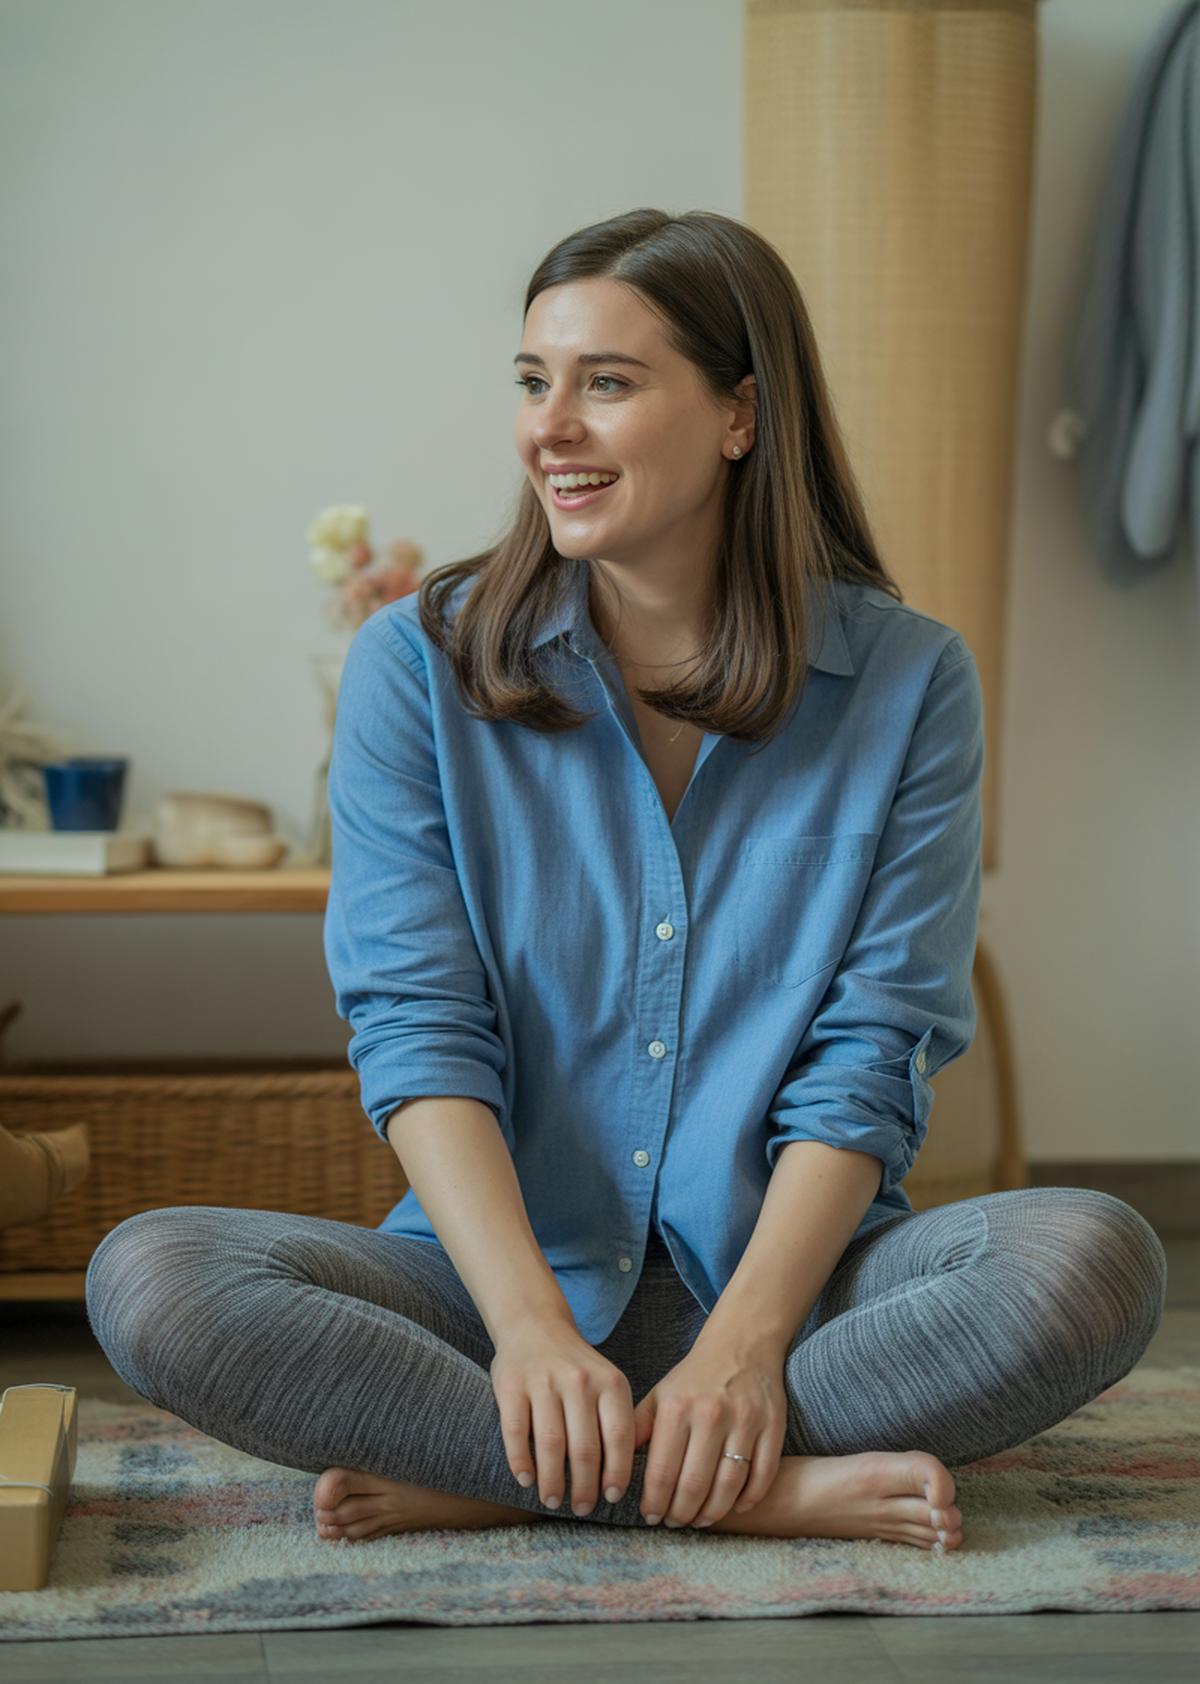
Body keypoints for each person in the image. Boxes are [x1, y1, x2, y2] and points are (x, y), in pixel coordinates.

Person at [87, 209, 1166, 1553]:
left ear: (738, 416)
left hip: (804, 1293)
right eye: (535, 382)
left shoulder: (909, 683)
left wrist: (748, 1346)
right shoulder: (415, 667)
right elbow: (420, 1035)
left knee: (1095, 1262)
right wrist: (533, 1335)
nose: (551, 427)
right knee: (156, 1279)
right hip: (480, 1292)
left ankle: (507, 1478)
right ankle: (753, 1490)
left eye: (607, 382)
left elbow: (873, 1058)